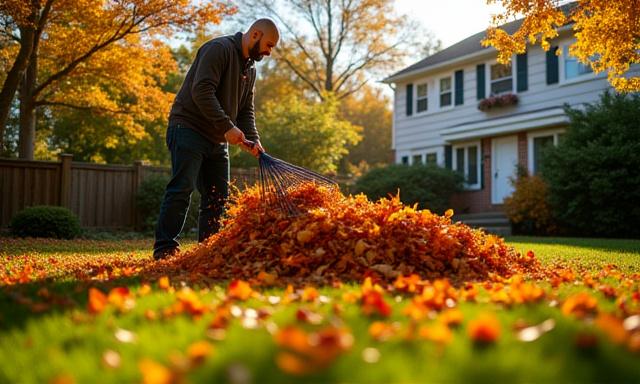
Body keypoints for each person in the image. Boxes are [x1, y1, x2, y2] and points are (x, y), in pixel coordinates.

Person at [153, 19, 280, 260]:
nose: (269, 52)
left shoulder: (250, 69)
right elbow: (201, 91)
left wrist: (253, 139)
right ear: (255, 34)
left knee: (218, 196)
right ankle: (165, 249)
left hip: (216, 139)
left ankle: (207, 251)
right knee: (182, 188)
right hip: (189, 127)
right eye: (269, 45)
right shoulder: (218, 49)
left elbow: (245, 110)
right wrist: (227, 127)